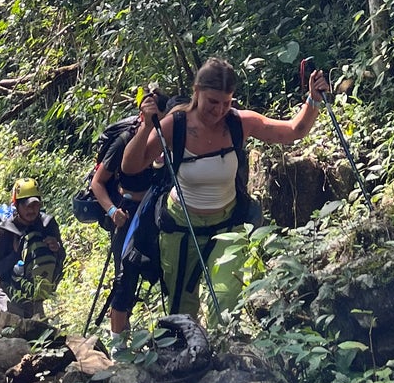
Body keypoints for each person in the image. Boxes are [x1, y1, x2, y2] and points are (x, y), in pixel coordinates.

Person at [121, 56, 331, 319]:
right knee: (181, 311)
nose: (219, 110)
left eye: (226, 102)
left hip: (228, 227)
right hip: (181, 228)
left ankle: (226, 356)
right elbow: (131, 166)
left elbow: (292, 131)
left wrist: (312, 99)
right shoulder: (176, 125)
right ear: (197, 92)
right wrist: (145, 125)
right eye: (212, 102)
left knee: (227, 305)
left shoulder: (238, 123)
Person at [89, 85, 174, 336]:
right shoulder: (125, 141)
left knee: (167, 271)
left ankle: (172, 333)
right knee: (125, 278)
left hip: (160, 214)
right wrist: (112, 210)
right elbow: (98, 181)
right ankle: (118, 343)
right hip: (129, 215)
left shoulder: (169, 140)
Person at [0, 177, 66, 316]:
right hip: (8, 287)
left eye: (35, 205)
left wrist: (57, 248)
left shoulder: (47, 225)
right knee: (11, 327)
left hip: (35, 287)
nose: (32, 210)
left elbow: (62, 255)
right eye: (27, 205)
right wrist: (16, 255)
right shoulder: (2, 233)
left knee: (36, 327)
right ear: (16, 205)